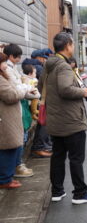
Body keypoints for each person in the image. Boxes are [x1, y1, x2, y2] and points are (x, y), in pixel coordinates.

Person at [38, 32, 87, 204]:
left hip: (56, 121)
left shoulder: (49, 65)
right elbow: (65, 89)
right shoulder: (64, 66)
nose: (73, 47)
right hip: (71, 121)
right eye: (72, 44)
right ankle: (80, 193)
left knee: (58, 156)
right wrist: (83, 92)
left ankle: (57, 191)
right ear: (67, 46)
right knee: (76, 158)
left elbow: (40, 85)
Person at [3, 44, 37, 178]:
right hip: (14, 104)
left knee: (21, 135)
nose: (19, 59)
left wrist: (26, 88)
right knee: (19, 136)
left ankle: (18, 164)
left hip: (19, 103)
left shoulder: (12, 67)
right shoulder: (8, 69)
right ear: (11, 56)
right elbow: (15, 88)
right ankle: (17, 166)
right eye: (18, 57)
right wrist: (26, 88)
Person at [0, 52, 27, 189]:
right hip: (5, 119)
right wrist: (23, 90)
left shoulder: (3, 76)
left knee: (11, 147)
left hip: (8, 117)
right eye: (3, 62)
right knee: (8, 148)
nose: (5, 65)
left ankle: (7, 177)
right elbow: (11, 95)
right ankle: (5, 179)